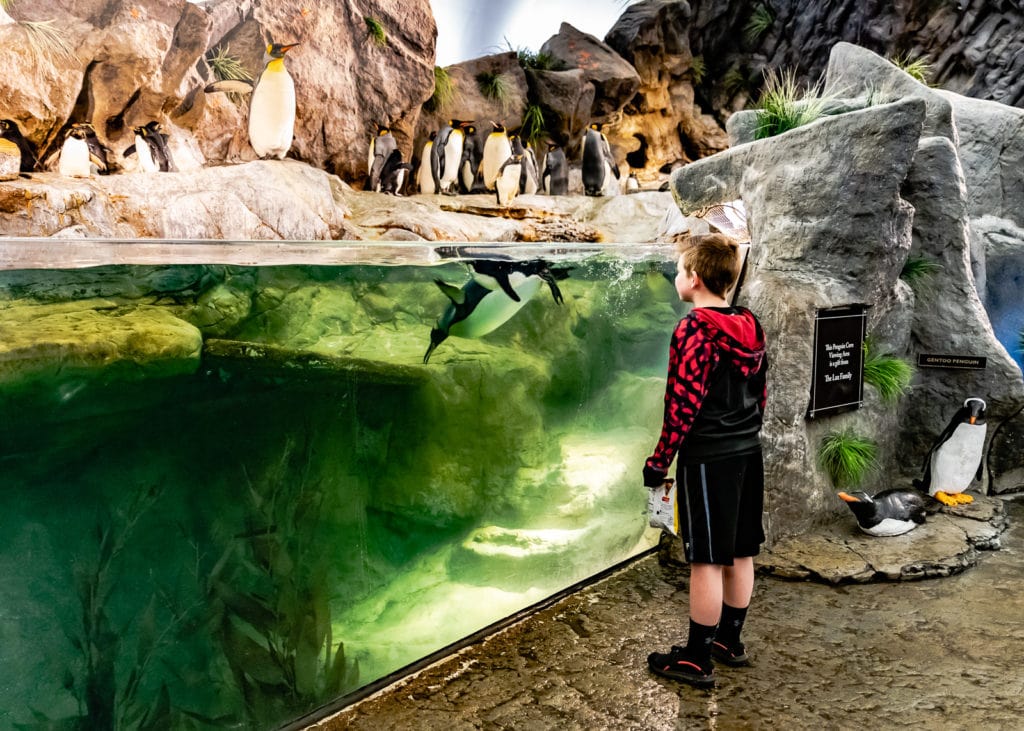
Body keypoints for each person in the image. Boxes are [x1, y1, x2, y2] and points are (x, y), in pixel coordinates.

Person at [643, 232, 768, 688]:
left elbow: (683, 404)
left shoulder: (693, 330)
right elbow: (762, 393)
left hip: (707, 458)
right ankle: (728, 640)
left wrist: (659, 461)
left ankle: (696, 658)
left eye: (679, 270)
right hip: (746, 452)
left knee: (707, 560)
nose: (677, 276)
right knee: (740, 550)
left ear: (694, 279)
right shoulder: (749, 323)